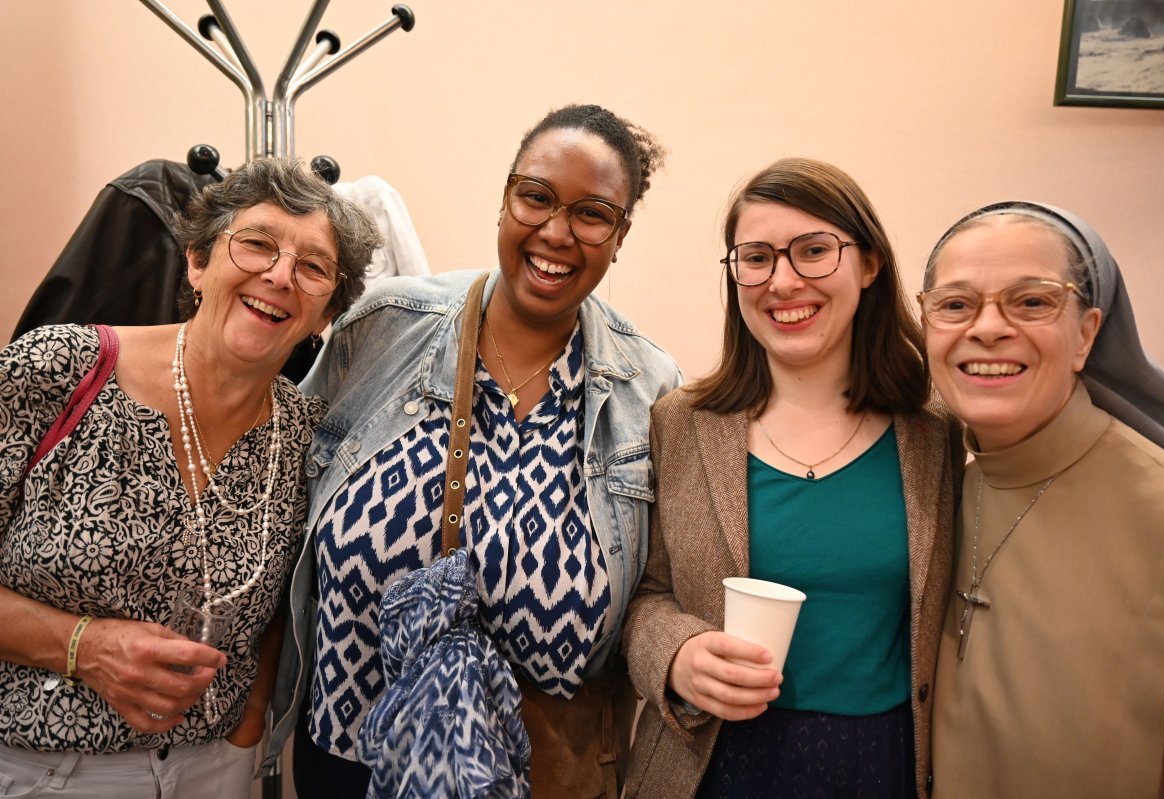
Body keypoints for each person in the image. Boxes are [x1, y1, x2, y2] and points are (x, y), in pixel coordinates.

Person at [265, 103, 681, 799]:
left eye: (592, 213)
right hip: (347, 765)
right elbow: (275, 489)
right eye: (537, 197)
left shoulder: (649, 389)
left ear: (620, 233)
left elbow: (655, 593)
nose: (556, 231)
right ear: (505, 198)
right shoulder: (386, 327)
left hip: (541, 773)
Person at [0, 158, 379, 798]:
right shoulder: (60, 370)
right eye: (257, 243)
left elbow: (290, 604)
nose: (280, 275)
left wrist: (248, 726)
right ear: (198, 263)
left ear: (325, 316)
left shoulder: (310, 438)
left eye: (313, 267)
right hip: (43, 769)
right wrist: (83, 646)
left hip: (213, 772)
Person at [621, 158, 963, 799]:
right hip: (715, 765)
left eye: (813, 251)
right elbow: (643, 597)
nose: (782, 281)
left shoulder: (936, 431)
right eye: (756, 257)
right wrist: (676, 657)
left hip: (884, 763)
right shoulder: (682, 423)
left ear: (869, 265)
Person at [922, 201, 1164, 797]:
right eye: (955, 305)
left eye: (1031, 301)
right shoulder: (936, 488)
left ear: (1087, 334)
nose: (988, 328)